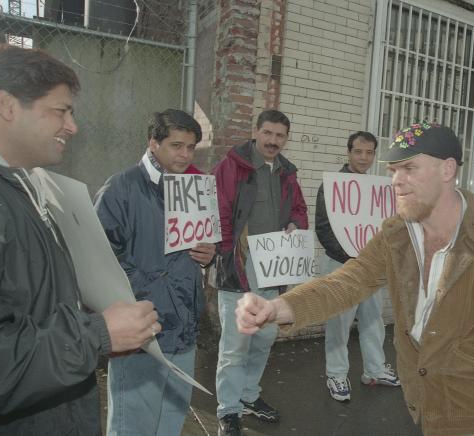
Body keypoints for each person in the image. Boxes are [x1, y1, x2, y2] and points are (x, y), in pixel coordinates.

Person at [235, 122, 474, 436]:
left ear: (447, 170)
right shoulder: (397, 233)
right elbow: (347, 282)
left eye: (410, 168)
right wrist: (277, 308)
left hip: (470, 403)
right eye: (393, 171)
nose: (396, 182)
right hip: (418, 397)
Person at [0, 45, 160, 434]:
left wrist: (102, 330)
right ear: (7, 105)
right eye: (61, 110)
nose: (72, 127)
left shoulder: (25, 187)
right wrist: (98, 334)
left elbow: (31, 306)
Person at [94, 109, 216, 435]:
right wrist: (150, 290)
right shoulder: (121, 188)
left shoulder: (195, 189)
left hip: (184, 327)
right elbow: (99, 258)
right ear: (153, 143)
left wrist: (209, 255)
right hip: (142, 330)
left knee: (171, 423)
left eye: (191, 147)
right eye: (177, 145)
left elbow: (199, 250)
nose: (185, 154)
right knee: (132, 425)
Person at [212, 109, 308, 436]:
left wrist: (296, 224)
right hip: (240, 264)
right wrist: (227, 256)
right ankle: (228, 410)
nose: (273, 141)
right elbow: (220, 213)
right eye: (267, 133)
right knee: (235, 343)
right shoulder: (232, 167)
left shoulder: (287, 172)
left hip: (273, 267)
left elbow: (299, 210)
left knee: (265, 337)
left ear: (286, 138)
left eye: (280, 136)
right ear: (256, 131)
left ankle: (249, 395)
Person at [315, 131, 400, 402]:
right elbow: (324, 229)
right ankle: (337, 375)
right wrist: (352, 256)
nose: (364, 157)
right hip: (341, 265)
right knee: (338, 323)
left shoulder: (379, 190)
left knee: (374, 319)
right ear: (348, 152)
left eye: (369, 152)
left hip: (371, 268)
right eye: (358, 152)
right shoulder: (332, 185)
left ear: (374, 154)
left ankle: (374, 370)